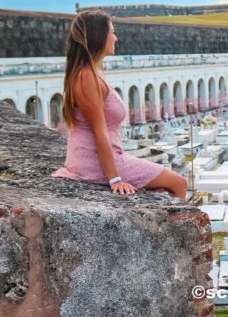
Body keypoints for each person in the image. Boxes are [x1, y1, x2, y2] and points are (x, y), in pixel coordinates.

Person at [52, 10, 187, 199]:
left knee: (161, 188)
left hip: (100, 158)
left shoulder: (92, 73)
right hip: (93, 163)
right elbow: (100, 131)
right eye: (112, 32)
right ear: (99, 37)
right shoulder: (87, 77)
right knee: (179, 183)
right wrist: (115, 179)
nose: (116, 38)